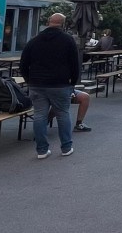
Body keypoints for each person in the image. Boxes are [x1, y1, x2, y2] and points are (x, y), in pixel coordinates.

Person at [19, 13, 80, 159]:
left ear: (48, 22)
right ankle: (66, 147)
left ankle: (41, 150)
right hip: (60, 84)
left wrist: (29, 80)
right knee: (63, 114)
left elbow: (23, 64)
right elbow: (75, 64)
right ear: (63, 24)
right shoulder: (68, 40)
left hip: (37, 83)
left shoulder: (34, 40)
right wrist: (72, 83)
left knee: (39, 115)